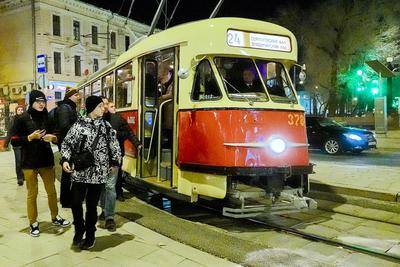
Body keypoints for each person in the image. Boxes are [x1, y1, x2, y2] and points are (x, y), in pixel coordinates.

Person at [60, 95, 121, 250]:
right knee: (75, 203)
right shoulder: (78, 125)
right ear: (92, 108)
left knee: (92, 206)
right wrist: (65, 159)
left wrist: (114, 162)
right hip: (80, 171)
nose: (104, 108)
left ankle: (90, 234)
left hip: (99, 172)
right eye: (100, 106)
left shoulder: (106, 126)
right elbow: (67, 143)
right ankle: (79, 229)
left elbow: (115, 146)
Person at [10, 90, 70, 237]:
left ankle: (55, 217)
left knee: (51, 192)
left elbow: (57, 134)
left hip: (46, 160)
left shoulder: (47, 116)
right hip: (29, 162)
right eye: (38, 102)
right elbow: (14, 140)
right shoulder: (22, 118)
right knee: (32, 194)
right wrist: (29, 137)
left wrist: (53, 138)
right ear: (32, 102)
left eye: (43, 101)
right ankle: (33, 222)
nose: (42, 104)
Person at [99, 98, 141, 231]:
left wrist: (137, 144)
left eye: (106, 104)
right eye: (102, 104)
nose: (105, 107)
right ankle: (104, 210)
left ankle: (109, 217)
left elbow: (128, 132)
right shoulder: (89, 122)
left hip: (113, 160)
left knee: (110, 187)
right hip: (98, 161)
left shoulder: (117, 119)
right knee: (101, 187)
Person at [57, 87, 81, 208]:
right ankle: (65, 200)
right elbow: (64, 126)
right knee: (67, 172)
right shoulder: (65, 108)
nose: (79, 97)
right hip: (68, 145)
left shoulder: (70, 107)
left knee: (69, 171)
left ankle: (67, 198)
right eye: (76, 95)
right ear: (70, 96)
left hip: (71, 144)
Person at [6, 105, 25, 186]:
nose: (20, 111)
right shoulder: (13, 120)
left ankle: (23, 175)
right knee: (18, 161)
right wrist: (6, 142)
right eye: (19, 110)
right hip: (16, 142)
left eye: (21, 110)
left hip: (24, 142)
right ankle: (19, 178)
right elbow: (10, 131)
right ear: (16, 111)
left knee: (24, 160)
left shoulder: (26, 119)